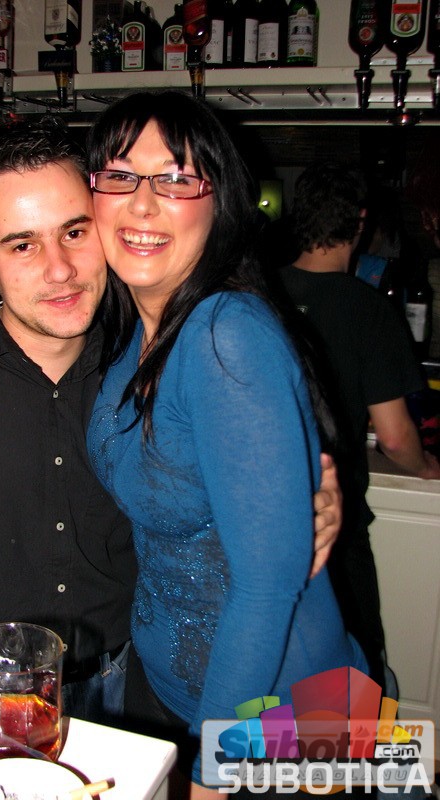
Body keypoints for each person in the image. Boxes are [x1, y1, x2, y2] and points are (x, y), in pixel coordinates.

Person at [0, 119, 340, 728]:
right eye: (22, 245)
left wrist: (303, 496)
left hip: (129, 690)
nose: (60, 269)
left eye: (74, 232)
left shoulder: (151, 361)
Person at [85, 91, 366, 798]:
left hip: (287, 721)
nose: (142, 203)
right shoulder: (136, 327)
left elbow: (268, 587)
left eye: (177, 178)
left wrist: (212, 778)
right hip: (176, 692)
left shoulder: (223, 334)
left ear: (221, 205)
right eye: (120, 175)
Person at [276, 163, 440, 693]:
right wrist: (427, 466)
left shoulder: (257, 295)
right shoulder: (369, 310)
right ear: (360, 222)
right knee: (358, 678)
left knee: (278, 679)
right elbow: (394, 437)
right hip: (337, 533)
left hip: (263, 527)